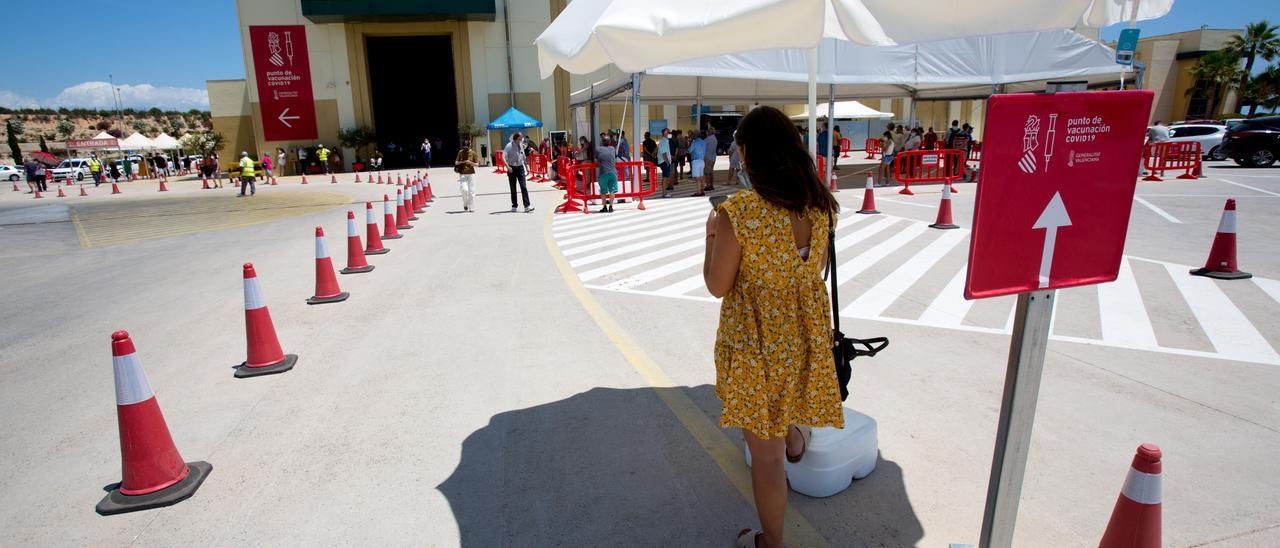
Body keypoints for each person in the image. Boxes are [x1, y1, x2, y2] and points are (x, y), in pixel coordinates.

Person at [702, 106, 843, 548]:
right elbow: (812, 271)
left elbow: (717, 284)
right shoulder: (821, 206)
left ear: (748, 153)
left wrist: (710, 234)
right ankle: (796, 435)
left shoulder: (738, 213)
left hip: (755, 343)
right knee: (784, 409)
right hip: (804, 339)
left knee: (765, 461)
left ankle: (772, 542)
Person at [503, 132, 534, 213]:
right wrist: (507, 167)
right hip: (512, 168)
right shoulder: (509, 146)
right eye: (520, 139)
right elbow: (503, 157)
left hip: (520, 168)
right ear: (516, 138)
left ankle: (527, 206)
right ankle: (514, 206)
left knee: (523, 187)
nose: (521, 140)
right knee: (513, 188)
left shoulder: (520, 145)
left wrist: (527, 167)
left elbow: (523, 157)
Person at [594, 134, 619, 213]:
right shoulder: (612, 148)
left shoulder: (598, 149)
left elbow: (595, 161)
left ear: (602, 141)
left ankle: (604, 207)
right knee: (612, 190)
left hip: (603, 172)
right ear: (609, 142)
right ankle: (611, 207)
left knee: (603, 191)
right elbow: (615, 160)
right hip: (613, 172)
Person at [455, 140, 478, 212]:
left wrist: (470, 162)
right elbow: (456, 162)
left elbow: (477, 164)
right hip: (462, 173)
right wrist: (462, 162)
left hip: (471, 173)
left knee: (472, 191)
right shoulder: (460, 152)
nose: (465, 149)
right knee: (464, 189)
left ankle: (471, 207)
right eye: (464, 147)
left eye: (466, 147)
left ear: (469, 146)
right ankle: (465, 204)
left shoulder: (473, 153)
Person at [689, 130, 707, 196]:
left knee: (697, 178)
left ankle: (699, 192)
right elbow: (705, 151)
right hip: (702, 160)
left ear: (694, 135)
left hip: (696, 161)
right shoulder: (703, 142)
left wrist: (690, 143)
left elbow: (690, 150)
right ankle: (702, 191)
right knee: (702, 176)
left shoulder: (694, 142)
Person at [657, 128, 673, 197]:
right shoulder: (664, 141)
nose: (668, 133)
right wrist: (667, 162)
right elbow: (664, 153)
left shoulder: (665, 140)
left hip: (664, 161)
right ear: (664, 133)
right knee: (665, 177)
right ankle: (664, 193)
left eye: (669, 132)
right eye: (667, 132)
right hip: (664, 161)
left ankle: (664, 193)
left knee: (665, 177)